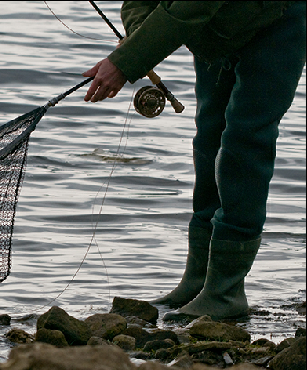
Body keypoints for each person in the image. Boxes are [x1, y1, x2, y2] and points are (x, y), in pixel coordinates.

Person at [82, 1, 306, 321]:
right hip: (214, 33)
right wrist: (137, 36)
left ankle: (225, 293)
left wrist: (126, 61)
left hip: (277, 18)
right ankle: (197, 281)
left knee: (245, 144)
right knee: (208, 142)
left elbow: (193, 5)